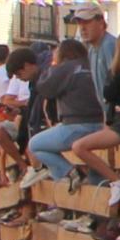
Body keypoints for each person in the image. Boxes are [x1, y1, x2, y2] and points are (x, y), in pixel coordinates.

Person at [20, 37, 106, 180]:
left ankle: (69, 173)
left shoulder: (67, 68)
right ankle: (96, 185)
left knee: (35, 145)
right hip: (101, 125)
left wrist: (52, 67)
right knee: (94, 166)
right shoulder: (92, 64)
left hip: (76, 126)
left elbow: (44, 88)